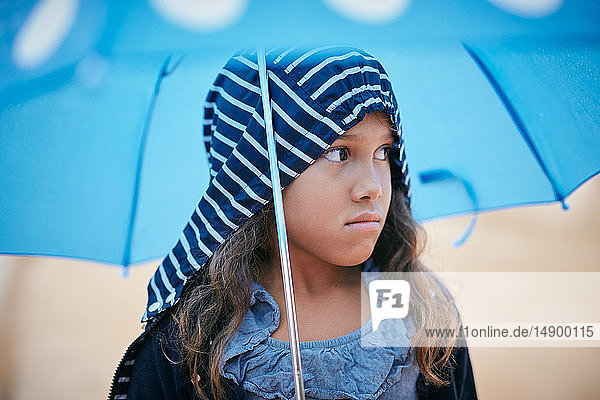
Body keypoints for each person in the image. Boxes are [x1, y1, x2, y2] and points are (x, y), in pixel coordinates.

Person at [109, 46, 478, 400]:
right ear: (257, 175)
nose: (372, 188)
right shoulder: (189, 343)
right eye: (338, 152)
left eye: (383, 152)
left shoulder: (422, 312)